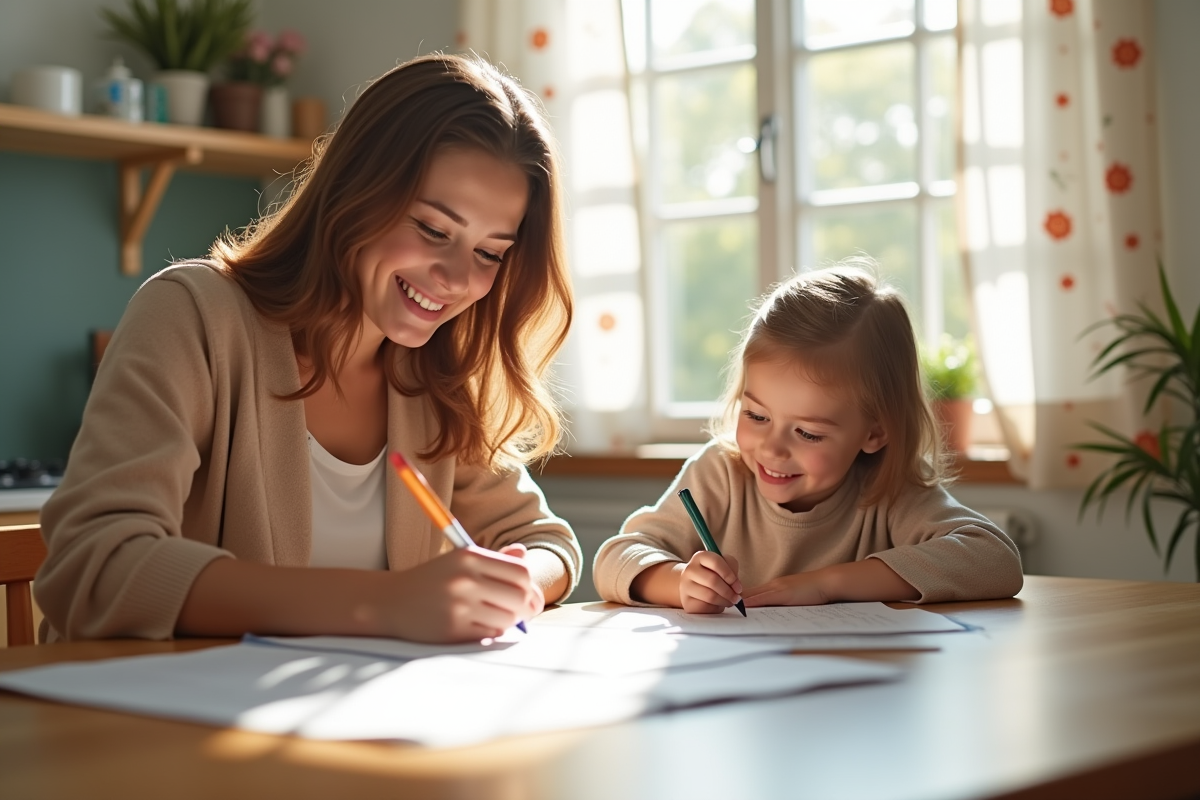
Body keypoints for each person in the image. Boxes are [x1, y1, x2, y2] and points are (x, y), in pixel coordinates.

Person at [35, 53, 582, 644]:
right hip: (151, 702)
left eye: (489, 253)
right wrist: (386, 604)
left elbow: (546, 542)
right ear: (356, 190)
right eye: (432, 229)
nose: (456, 278)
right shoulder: (192, 314)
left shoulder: (437, 377)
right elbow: (95, 564)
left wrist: (513, 581)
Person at [593, 262, 1022, 612]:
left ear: (875, 432)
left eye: (807, 433)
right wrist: (678, 582)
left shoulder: (888, 489)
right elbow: (615, 557)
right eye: (756, 415)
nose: (772, 447)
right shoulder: (720, 473)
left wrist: (826, 585)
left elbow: (995, 559)